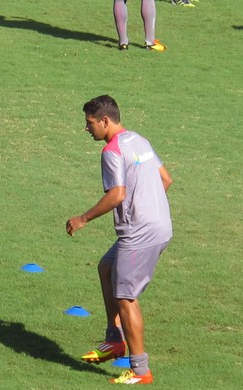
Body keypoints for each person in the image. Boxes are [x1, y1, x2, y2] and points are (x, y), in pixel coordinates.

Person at [65, 95, 173, 384]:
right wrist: (150, 207)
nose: (87, 129)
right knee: (107, 268)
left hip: (139, 233)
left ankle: (141, 371)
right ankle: (114, 339)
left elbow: (117, 195)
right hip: (159, 225)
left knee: (126, 298)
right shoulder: (139, 140)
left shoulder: (111, 151)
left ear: (105, 121)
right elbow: (165, 179)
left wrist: (82, 219)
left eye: (89, 123)